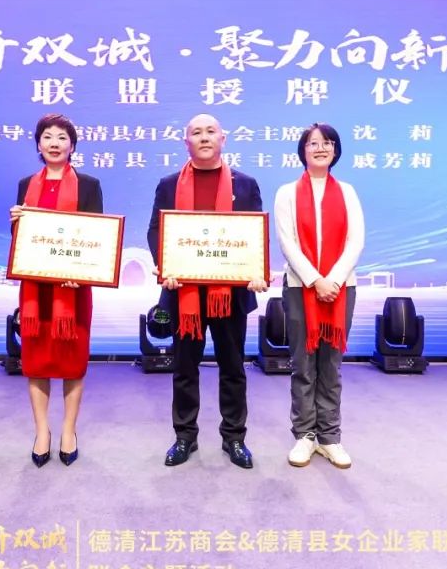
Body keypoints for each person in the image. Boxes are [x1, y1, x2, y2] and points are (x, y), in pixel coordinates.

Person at [147, 114, 269, 469]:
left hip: (229, 293)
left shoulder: (245, 185)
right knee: (185, 368)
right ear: (186, 142)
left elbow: (253, 237)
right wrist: (166, 265)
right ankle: (185, 436)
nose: (204, 137)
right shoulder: (169, 185)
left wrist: (255, 270)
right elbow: (156, 230)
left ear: (223, 139)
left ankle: (234, 437)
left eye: (211, 131)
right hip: (184, 292)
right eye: (196, 132)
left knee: (233, 367)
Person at [10, 114, 103, 468]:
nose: (54, 142)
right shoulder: (25, 184)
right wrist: (16, 221)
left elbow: (95, 237)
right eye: (47, 136)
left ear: (72, 145)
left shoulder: (89, 185)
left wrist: (82, 272)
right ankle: (41, 432)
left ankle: (68, 430)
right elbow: (25, 240)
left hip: (72, 290)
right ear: (38, 144)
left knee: (72, 360)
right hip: (36, 291)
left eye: (62, 137)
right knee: (36, 360)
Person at [273, 123, 364, 469]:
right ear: (303, 150)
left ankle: (330, 437)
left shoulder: (349, 192)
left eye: (327, 142)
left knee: (331, 365)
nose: (320, 148)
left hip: (341, 288)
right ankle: (305, 435)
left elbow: (356, 241)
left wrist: (334, 280)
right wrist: (315, 280)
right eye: (313, 143)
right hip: (300, 287)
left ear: (335, 150)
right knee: (303, 364)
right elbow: (287, 243)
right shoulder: (286, 193)